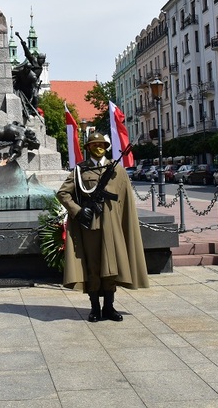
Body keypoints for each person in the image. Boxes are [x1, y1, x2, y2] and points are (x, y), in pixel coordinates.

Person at [56, 132, 149, 322]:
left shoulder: (117, 170)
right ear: (88, 147)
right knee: (94, 267)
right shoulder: (80, 171)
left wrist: (123, 223)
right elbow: (63, 193)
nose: (99, 147)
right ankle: (95, 308)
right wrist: (79, 211)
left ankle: (109, 307)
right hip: (91, 227)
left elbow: (125, 200)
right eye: (95, 144)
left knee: (111, 267)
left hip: (112, 226)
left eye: (102, 145)